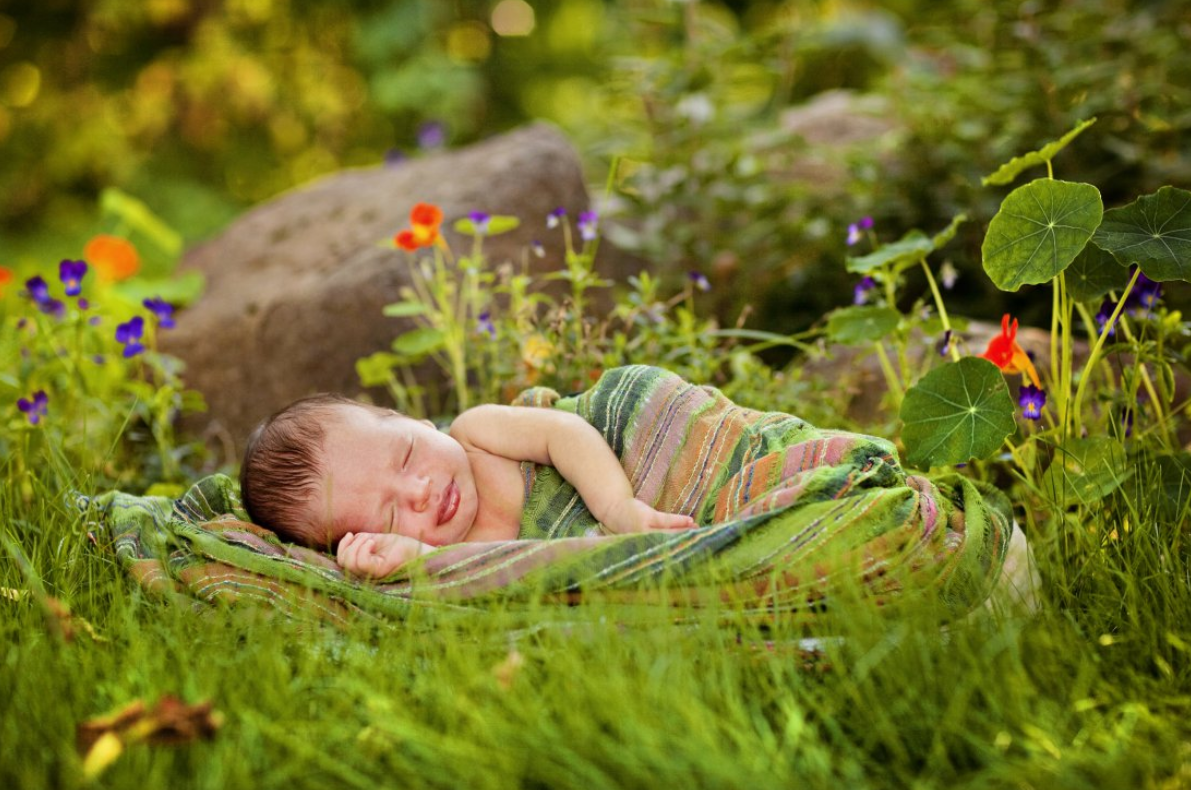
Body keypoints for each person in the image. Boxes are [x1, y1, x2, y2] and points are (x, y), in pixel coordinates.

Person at [240, 391, 697, 580]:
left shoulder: (477, 435)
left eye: (406, 454)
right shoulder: (444, 560)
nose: (419, 491)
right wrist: (418, 563)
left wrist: (616, 506)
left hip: (635, 476)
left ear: (416, 421)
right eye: (392, 515)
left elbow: (565, 432)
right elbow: (497, 586)